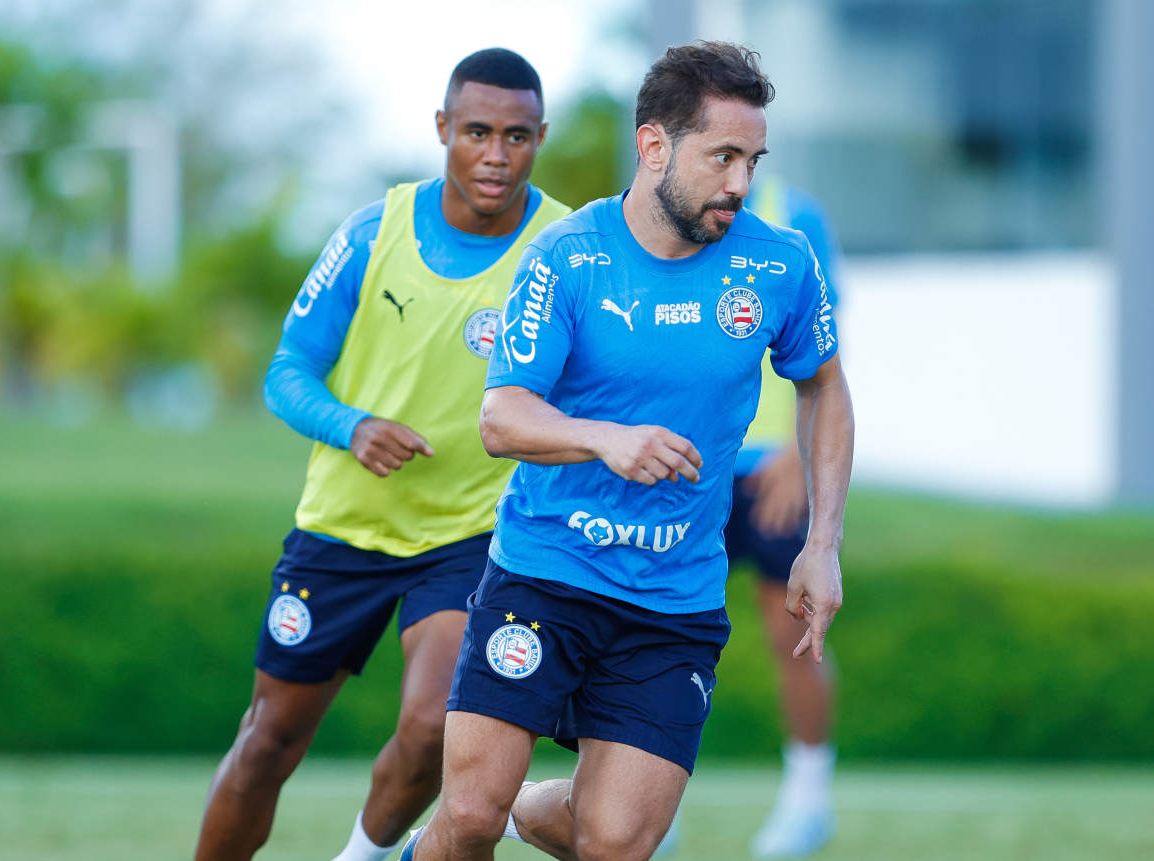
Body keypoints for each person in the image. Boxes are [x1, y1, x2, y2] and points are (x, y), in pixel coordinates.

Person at [400, 40, 854, 861]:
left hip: (673, 601)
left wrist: (823, 543)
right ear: (654, 147)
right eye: (722, 157)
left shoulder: (779, 262)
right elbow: (502, 417)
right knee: (466, 816)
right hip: (545, 573)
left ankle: (517, 807)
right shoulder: (567, 258)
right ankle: (473, 817)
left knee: (613, 843)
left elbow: (824, 384)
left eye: (753, 159)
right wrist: (605, 439)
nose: (740, 184)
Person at [191, 48, 569, 861]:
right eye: (476, 132)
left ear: (541, 136)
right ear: (442, 129)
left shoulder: (564, 249)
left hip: (470, 536)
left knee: (435, 724)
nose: (496, 155)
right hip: (344, 528)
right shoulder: (373, 231)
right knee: (268, 742)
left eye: (517, 136)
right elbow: (287, 371)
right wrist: (351, 425)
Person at [733, 177, 844, 859]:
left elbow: (827, 344)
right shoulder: (652, 206)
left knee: (792, 630)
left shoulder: (793, 214)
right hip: (685, 462)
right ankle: (647, 791)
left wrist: (797, 456)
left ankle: (809, 798)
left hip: (775, 466)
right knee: (656, 631)